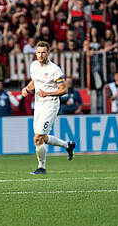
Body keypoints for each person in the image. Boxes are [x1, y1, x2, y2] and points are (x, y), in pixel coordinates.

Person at [21, 41, 76, 175]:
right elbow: (35, 81)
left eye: (43, 52)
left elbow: (64, 90)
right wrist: (27, 88)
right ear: (36, 53)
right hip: (39, 104)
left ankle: (42, 168)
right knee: (41, 137)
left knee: (38, 138)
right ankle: (67, 145)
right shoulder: (34, 65)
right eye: (38, 52)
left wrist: (47, 93)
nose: (40, 55)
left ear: (48, 53)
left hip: (50, 104)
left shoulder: (54, 70)